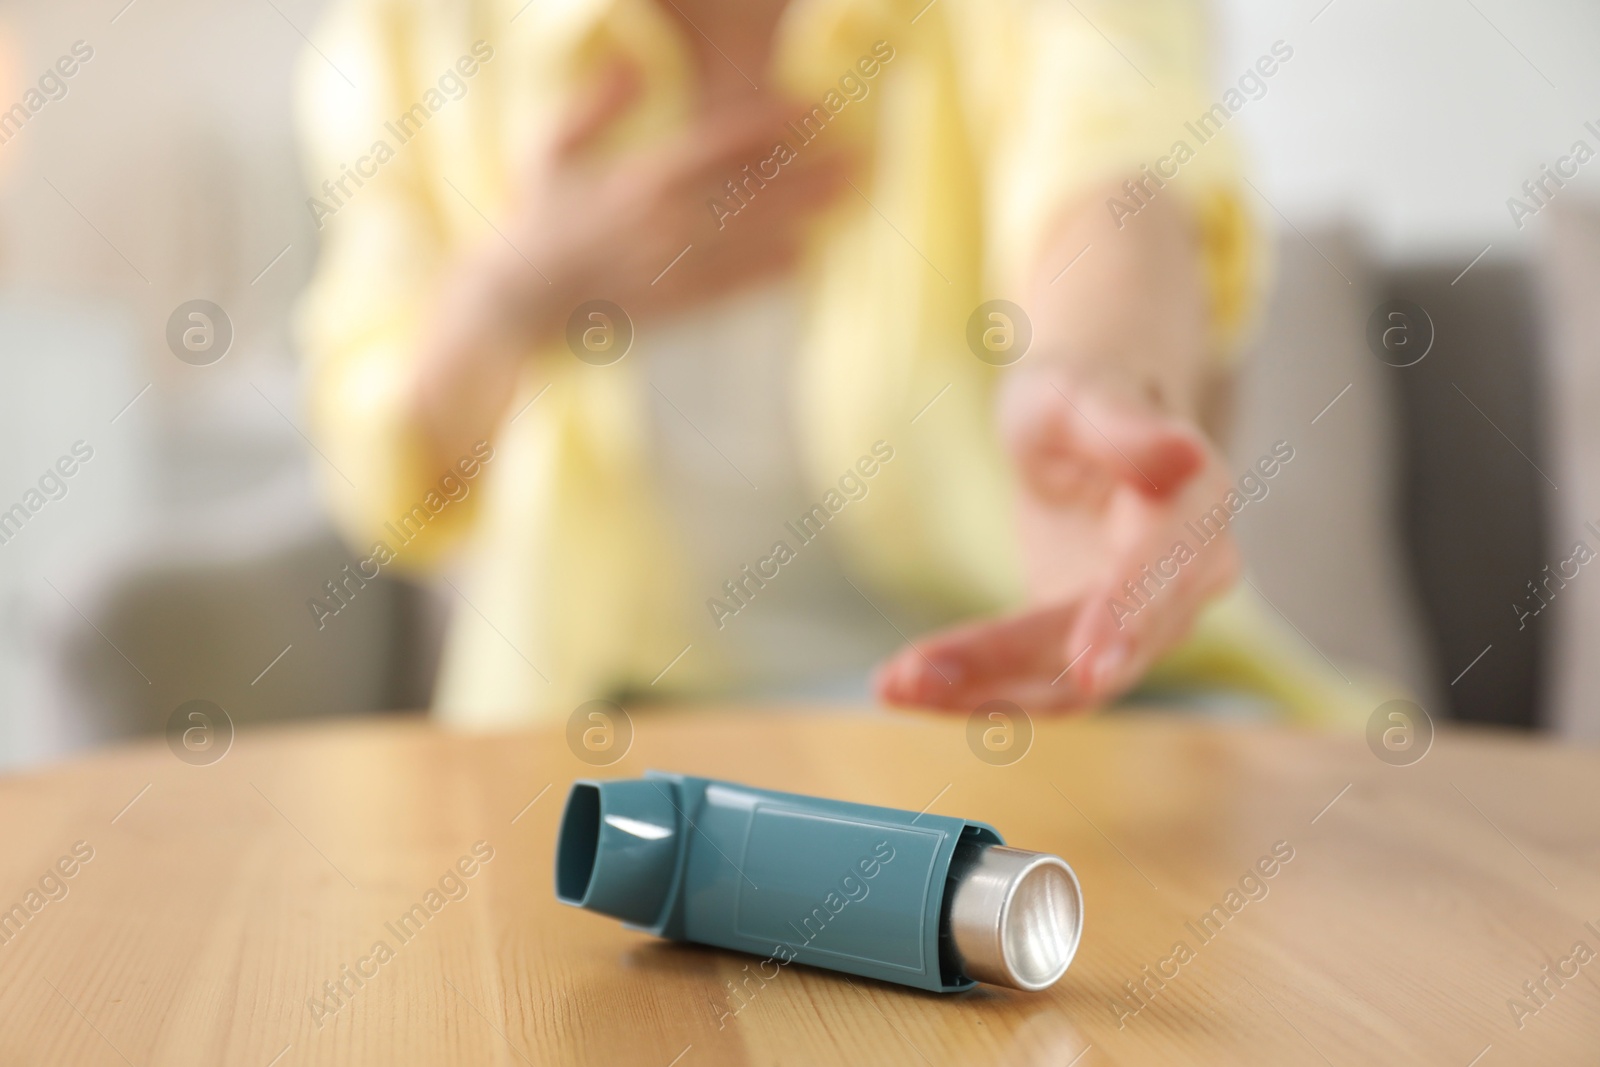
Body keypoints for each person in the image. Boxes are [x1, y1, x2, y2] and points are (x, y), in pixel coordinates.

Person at [298, 0, 1357, 727]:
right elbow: (388, 489)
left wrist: (1090, 376)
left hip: (1062, 715)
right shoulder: (413, 33)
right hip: (612, 741)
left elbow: (1116, 149)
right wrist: (511, 297)